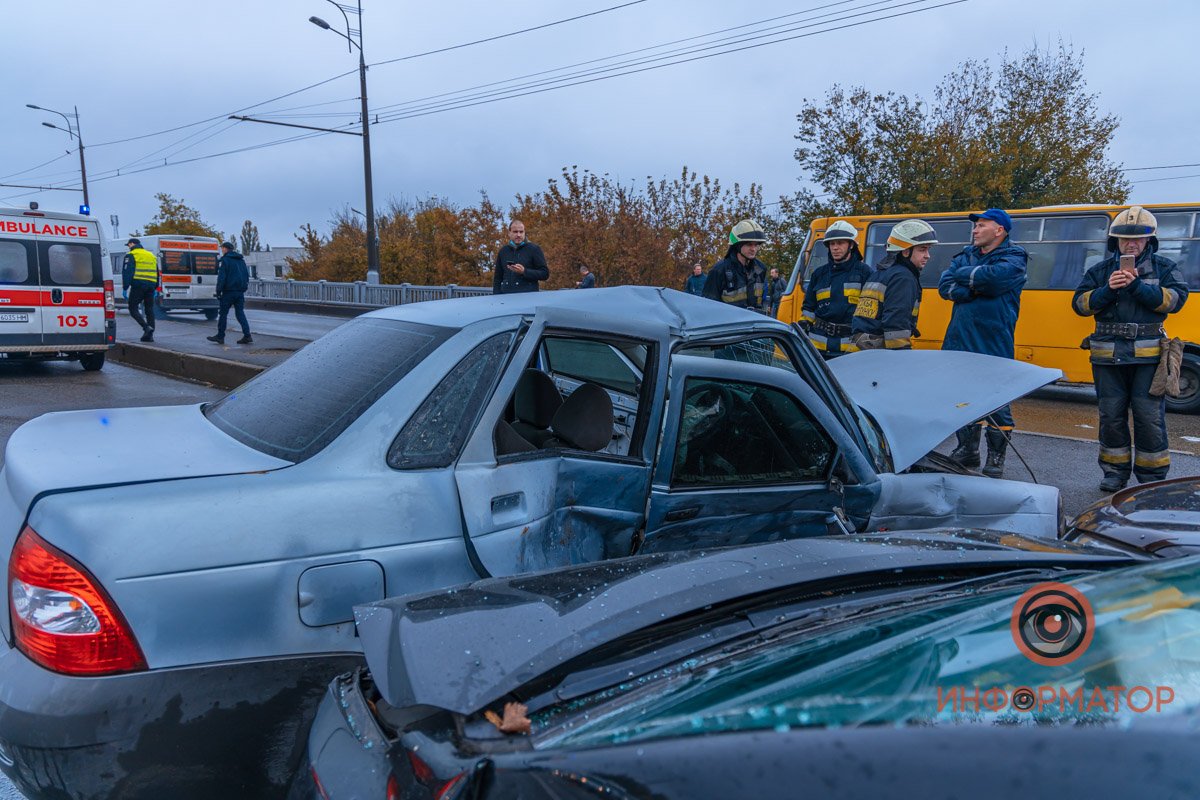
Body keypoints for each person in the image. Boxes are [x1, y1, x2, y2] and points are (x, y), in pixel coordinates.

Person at [1073, 206, 1188, 492]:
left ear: (1150, 240)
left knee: (1149, 418)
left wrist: (1136, 286)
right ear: (1116, 241)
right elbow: (1080, 305)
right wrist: (1107, 290)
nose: (1132, 244)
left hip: (1149, 361)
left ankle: (1151, 480)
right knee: (1110, 417)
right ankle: (1114, 473)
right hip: (1107, 358)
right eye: (1125, 239)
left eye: (1138, 239)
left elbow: (1175, 301)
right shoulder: (1099, 271)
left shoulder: (1165, 269)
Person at [939, 209, 1028, 478]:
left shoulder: (1014, 257)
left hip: (994, 340)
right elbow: (946, 286)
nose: (975, 230)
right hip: (959, 339)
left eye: (981, 225)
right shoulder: (965, 254)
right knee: (961, 398)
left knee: (997, 400)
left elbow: (995, 279)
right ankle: (967, 450)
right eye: (975, 226)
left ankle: (996, 457)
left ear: (999, 230)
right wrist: (976, 285)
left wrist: (968, 280)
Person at [850, 219, 938, 350]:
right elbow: (896, 324)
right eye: (922, 250)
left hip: (862, 348)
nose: (928, 256)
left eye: (928, 250)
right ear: (905, 252)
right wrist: (901, 356)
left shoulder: (881, 273)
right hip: (879, 353)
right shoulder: (903, 277)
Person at [799, 221, 872, 358]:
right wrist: (803, 325)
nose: (835, 248)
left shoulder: (865, 273)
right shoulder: (819, 274)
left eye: (840, 243)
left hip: (850, 348)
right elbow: (809, 307)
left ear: (851, 245)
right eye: (832, 244)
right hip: (818, 347)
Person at [702, 219, 768, 311]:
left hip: (754, 323)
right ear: (737, 245)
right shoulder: (719, 270)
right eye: (749, 244)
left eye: (756, 245)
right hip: (728, 324)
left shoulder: (760, 269)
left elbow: (761, 301)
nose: (753, 249)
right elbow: (708, 306)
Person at [207, 242, 253, 345]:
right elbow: (246, 275)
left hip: (228, 292)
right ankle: (247, 335)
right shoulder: (241, 260)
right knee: (240, 313)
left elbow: (222, 278)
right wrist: (243, 288)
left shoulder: (225, 260)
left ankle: (220, 336)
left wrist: (218, 291)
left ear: (226, 249)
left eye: (222, 248)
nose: (222, 250)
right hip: (239, 292)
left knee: (223, 314)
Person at [493, 220, 549, 294]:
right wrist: (496, 297)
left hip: (528, 297)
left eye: (521, 232)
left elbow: (545, 274)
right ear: (509, 233)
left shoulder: (534, 249)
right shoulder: (503, 251)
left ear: (524, 232)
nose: (518, 235)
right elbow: (497, 278)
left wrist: (524, 271)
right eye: (515, 232)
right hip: (506, 298)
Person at [123, 237, 158, 343]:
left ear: (132, 244)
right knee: (149, 310)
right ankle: (149, 336)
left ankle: (146, 327)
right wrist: (156, 287)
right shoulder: (151, 255)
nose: (128, 247)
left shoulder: (131, 255)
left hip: (138, 285)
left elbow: (127, 272)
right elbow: (157, 271)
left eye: (128, 245)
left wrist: (125, 287)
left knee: (132, 308)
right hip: (151, 285)